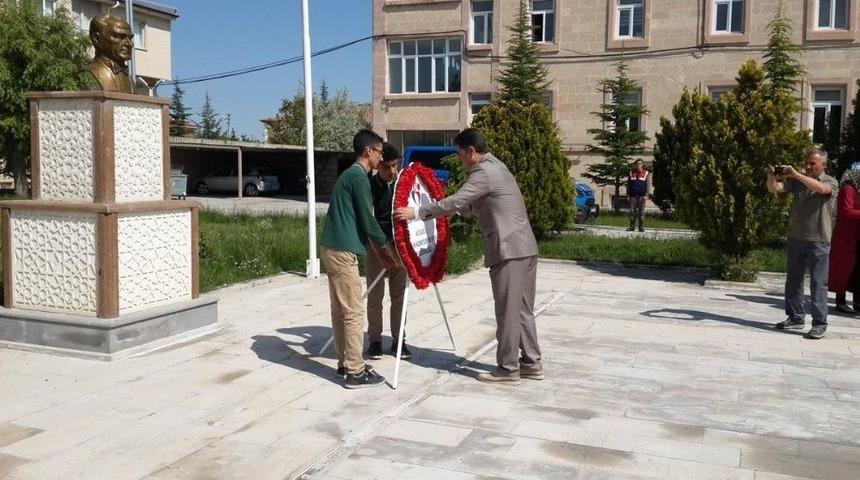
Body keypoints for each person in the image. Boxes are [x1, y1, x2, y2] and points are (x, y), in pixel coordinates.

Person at [394, 129, 542, 385]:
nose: (460, 159)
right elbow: (481, 203)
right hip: (525, 247)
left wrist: (417, 213)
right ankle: (531, 363)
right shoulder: (498, 166)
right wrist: (457, 212)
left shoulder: (482, 171)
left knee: (508, 311)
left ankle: (508, 369)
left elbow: (459, 199)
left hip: (507, 250)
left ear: (471, 151)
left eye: (460, 154)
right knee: (522, 310)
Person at [321, 129, 400, 388]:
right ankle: (355, 371)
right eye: (378, 152)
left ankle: (345, 362)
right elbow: (368, 221)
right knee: (354, 311)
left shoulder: (351, 176)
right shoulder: (359, 178)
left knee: (340, 310)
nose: (380, 157)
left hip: (332, 247)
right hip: (343, 251)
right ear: (369, 152)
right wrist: (387, 253)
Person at [766, 148, 838, 339]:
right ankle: (796, 317)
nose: (808, 166)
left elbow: (821, 189)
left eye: (812, 164)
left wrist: (796, 173)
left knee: (818, 284)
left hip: (819, 241)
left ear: (823, 164)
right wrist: (771, 176)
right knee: (793, 282)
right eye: (806, 163)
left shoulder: (830, 181)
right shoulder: (798, 181)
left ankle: (819, 323)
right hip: (796, 238)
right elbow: (775, 189)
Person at [365, 143, 411, 360]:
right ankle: (375, 340)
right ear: (378, 166)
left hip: (400, 247)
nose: (393, 171)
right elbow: (366, 218)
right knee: (375, 295)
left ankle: (398, 339)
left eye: (396, 166)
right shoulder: (368, 186)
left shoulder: (402, 184)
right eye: (387, 167)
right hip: (376, 247)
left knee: (399, 295)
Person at [829, 165, 860, 315]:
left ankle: (857, 302)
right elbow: (846, 212)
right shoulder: (847, 189)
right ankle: (840, 302)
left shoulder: (856, 190)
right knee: (843, 268)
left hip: (855, 236)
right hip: (845, 236)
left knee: (855, 270)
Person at [85, 15, 135, 94]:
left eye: (130, 38)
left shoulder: (129, 79)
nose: (130, 44)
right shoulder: (88, 75)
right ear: (97, 39)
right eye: (119, 36)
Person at [627, 159, 652, 232]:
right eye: (637, 164)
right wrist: (628, 195)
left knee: (641, 212)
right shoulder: (631, 173)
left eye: (640, 164)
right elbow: (628, 184)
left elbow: (648, 185)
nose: (638, 165)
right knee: (632, 212)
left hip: (642, 196)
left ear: (642, 164)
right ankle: (632, 227)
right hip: (633, 196)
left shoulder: (646, 173)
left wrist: (646, 195)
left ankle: (641, 228)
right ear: (635, 164)